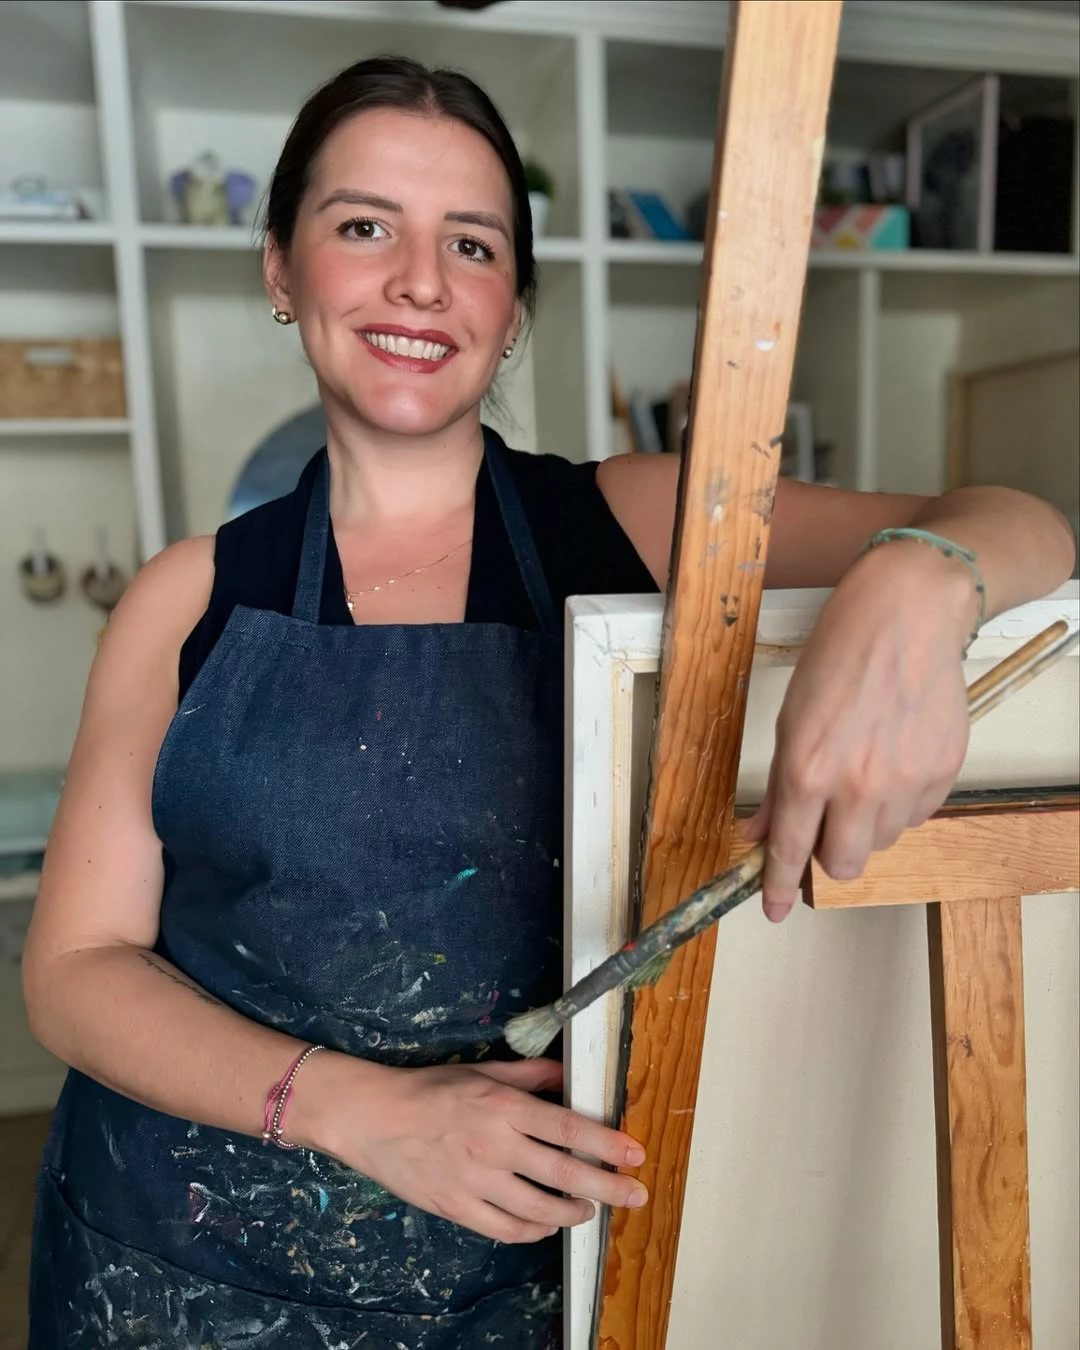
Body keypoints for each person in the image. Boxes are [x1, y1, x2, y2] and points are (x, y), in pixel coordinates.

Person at [22, 55, 1074, 1350]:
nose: (422, 280)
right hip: (178, 1269)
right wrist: (358, 1109)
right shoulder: (184, 598)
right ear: (282, 270)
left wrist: (923, 578)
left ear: (513, 307)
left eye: (471, 244)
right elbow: (73, 971)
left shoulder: (629, 524)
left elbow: (1027, 523)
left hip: (520, 1286)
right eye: (365, 227)